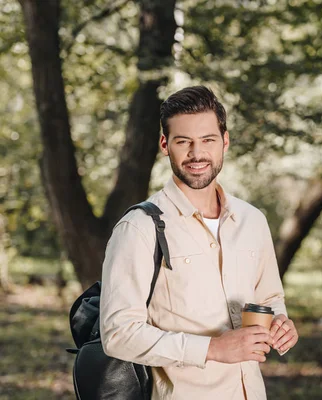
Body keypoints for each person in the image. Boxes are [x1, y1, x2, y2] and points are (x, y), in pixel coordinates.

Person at [99, 86, 298, 399]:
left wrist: (281, 322)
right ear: (165, 144)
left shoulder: (252, 221)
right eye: (183, 141)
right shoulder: (138, 228)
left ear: (225, 142)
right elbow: (118, 334)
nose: (196, 153)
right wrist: (213, 348)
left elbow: (270, 296)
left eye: (207, 140)